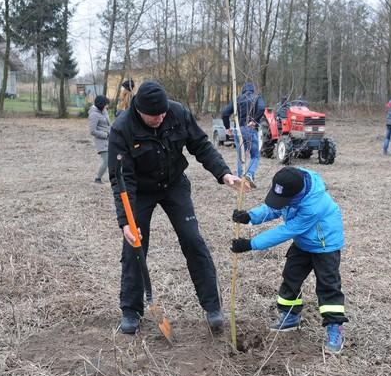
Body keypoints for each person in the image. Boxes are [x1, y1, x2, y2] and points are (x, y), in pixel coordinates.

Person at [109, 81, 245, 334]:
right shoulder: (122, 128)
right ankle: (131, 310)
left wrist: (223, 173)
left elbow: (201, 145)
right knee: (134, 245)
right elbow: (121, 179)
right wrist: (126, 221)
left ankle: (212, 307)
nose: (160, 118)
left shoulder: (177, 113)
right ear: (139, 110)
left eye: (163, 113)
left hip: (173, 185)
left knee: (193, 239)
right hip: (139, 192)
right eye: (154, 116)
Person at [230, 167, 347, 354]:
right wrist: (250, 217)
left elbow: (286, 231)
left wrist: (251, 244)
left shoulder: (313, 205)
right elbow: (274, 208)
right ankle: (290, 317)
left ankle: (335, 328)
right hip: (303, 242)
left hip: (325, 245)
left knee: (328, 285)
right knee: (291, 277)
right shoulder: (291, 184)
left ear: (296, 196)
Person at [221, 82, 265, 188]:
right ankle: (249, 174)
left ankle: (240, 180)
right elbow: (262, 108)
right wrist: (254, 121)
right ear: (253, 90)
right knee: (255, 155)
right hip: (251, 129)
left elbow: (225, 113)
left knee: (241, 156)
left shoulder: (238, 99)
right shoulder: (256, 97)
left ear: (243, 90)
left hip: (238, 130)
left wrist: (227, 128)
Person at [89, 95, 111, 184]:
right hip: (101, 141)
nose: (107, 106)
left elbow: (108, 124)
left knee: (116, 159)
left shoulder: (104, 111)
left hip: (110, 139)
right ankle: (98, 178)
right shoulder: (93, 115)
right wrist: (105, 134)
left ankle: (117, 177)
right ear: (101, 104)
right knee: (107, 160)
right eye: (106, 104)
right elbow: (92, 131)